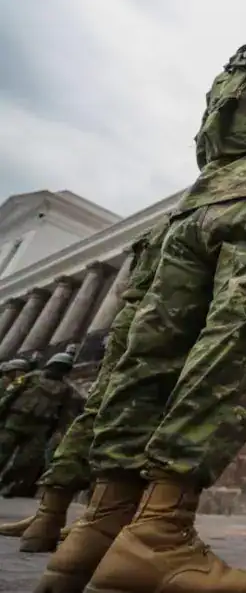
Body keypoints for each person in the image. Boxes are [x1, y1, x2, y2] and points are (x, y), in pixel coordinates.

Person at [34, 20, 246, 593]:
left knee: (149, 358)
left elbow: (205, 146)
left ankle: (99, 526)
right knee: (236, 348)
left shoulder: (240, 69)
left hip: (196, 215)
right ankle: (159, 534)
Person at [0, 221, 168, 555]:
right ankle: (100, 523)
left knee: (97, 415)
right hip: (164, 326)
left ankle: (50, 516)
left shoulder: (166, 226)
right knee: (138, 423)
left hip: (134, 321)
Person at [0, 352, 79, 495]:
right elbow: (10, 394)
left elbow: (65, 412)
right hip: (16, 420)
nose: (57, 370)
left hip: (40, 427)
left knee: (26, 461)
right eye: (57, 366)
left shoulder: (66, 389)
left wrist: (60, 430)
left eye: (62, 368)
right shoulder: (30, 377)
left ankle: (7, 484)